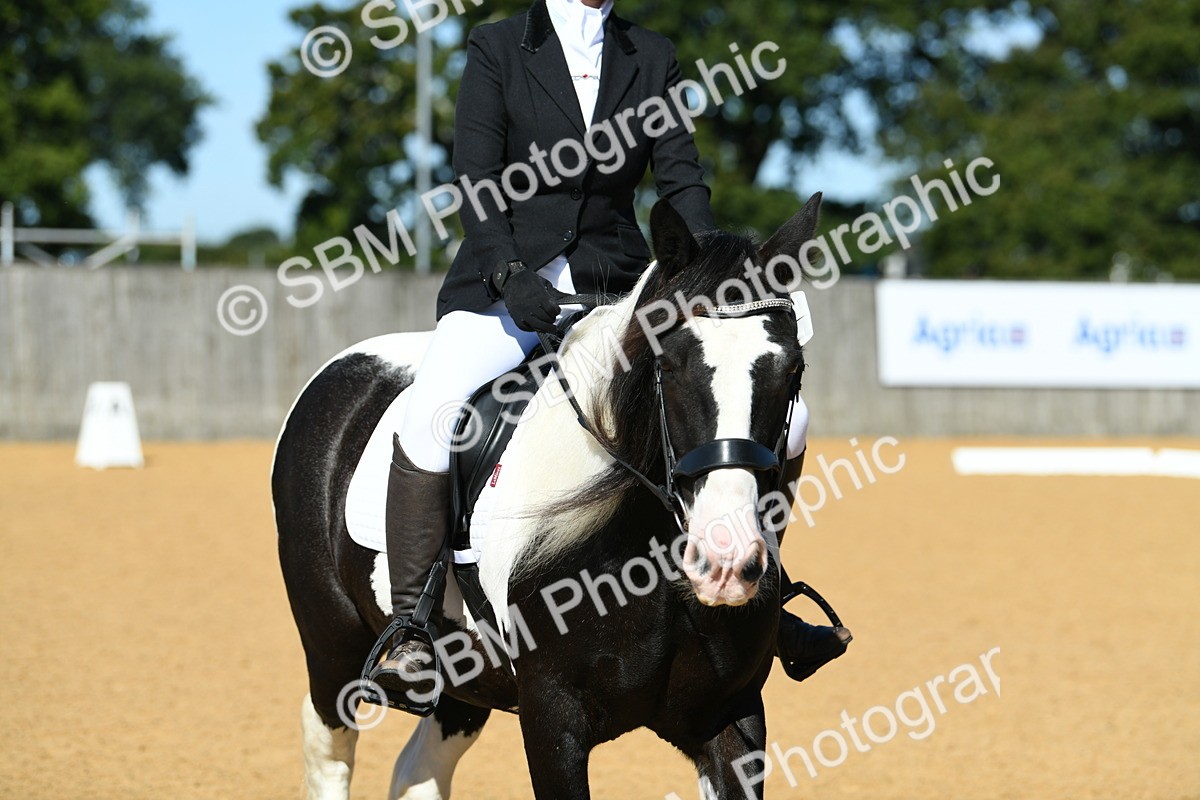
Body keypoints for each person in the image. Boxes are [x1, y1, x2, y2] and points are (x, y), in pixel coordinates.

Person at [368, 0, 850, 708]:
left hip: (621, 286)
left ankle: (762, 596)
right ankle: (410, 625)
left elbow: (681, 181)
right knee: (433, 409)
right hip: (508, 286)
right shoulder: (499, 46)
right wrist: (506, 274)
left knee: (789, 422)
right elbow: (475, 175)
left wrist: (714, 284)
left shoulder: (650, 56)